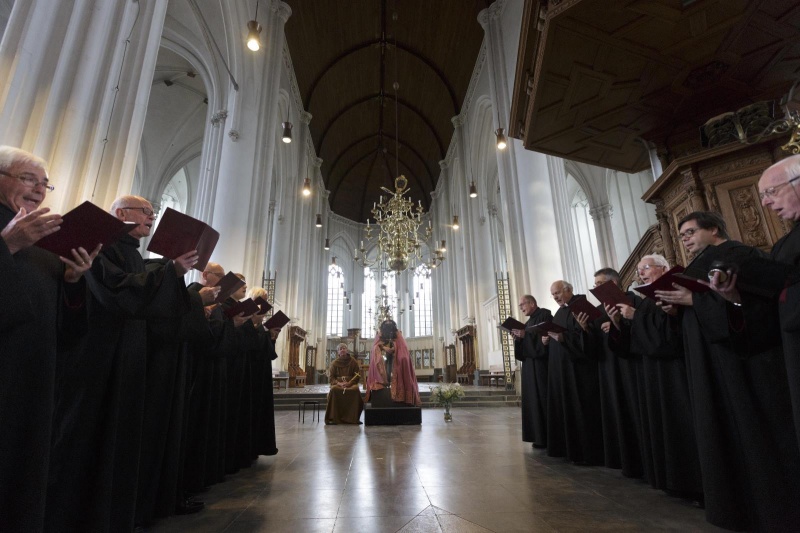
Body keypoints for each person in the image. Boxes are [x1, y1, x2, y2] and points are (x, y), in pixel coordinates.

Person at [46, 195, 197, 532]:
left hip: (127, 357)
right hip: (98, 358)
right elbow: (116, 290)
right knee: (89, 438)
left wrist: (170, 273)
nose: (151, 217)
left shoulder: (134, 254)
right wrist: (170, 270)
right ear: (120, 214)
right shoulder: (102, 246)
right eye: (146, 212)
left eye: (152, 213)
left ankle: (116, 514)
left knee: (122, 440)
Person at [655, 211, 800, 531]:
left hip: (736, 361)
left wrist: (695, 300)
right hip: (706, 360)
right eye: (682, 235)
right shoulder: (701, 262)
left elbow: (750, 306)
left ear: (714, 229)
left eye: (691, 231)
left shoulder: (739, 255)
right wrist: (675, 310)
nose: (686, 239)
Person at [0, 146, 98, 532]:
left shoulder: (43, 238)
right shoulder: (19, 234)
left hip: (35, 375)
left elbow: (65, 322)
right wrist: (6, 246)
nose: (39, 191)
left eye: (44, 184)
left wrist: (73, 282)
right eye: (28, 179)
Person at [612, 255, 702, 499]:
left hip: (674, 373)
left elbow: (667, 338)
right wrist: (620, 323)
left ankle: (688, 482)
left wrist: (635, 317)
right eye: (640, 270)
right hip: (652, 372)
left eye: (646, 268)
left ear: (664, 268)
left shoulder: (671, 291)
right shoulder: (648, 300)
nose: (641, 273)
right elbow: (638, 340)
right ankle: (668, 478)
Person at [589, 268, 642, 478]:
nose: (596, 288)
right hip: (606, 367)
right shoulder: (598, 309)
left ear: (614, 284)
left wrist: (618, 325)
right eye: (595, 285)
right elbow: (591, 341)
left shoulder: (630, 300)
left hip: (628, 366)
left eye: (600, 283)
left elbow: (639, 329)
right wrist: (585, 329)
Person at [544, 280, 603, 465]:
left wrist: (564, 337)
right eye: (553, 295)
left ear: (568, 290)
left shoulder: (581, 307)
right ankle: (565, 448)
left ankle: (584, 453)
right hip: (561, 371)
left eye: (558, 293)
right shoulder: (559, 313)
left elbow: (589, 339)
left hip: (578, 372)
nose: (555, 297)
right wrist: (548, 340)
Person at [511, 295, 551, 448]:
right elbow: (525, 347)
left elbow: (543, 338)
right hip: (529, 366)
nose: (521, 308)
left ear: (532, 303)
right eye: (520, 306)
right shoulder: (527, 323)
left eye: (522, 305)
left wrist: (525, 335)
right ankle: (538, 436)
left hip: (540, 366)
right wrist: (519, 338)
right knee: (532, 401)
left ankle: (546, 437)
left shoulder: (544, 315)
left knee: (541, 399)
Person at [366, 319, 421, 407]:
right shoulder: (380, 333)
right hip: (383, 354)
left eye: (390, 323)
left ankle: (397, 387)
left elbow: (402, 346)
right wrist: (384, 348)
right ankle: (385, 382)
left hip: (396, 354)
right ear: (383, 325)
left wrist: (394, 348)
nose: (388, 324)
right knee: (382, 363)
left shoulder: (397, 333)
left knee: (403, 359)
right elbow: (375, 346)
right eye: (386, 323)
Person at [324, 343, 364, 424]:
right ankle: (334, 418)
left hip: (350, 384)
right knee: (334, 389)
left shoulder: (353, 362)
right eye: (340, 349)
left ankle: (354, 418)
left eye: (344, 348)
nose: (342, 350)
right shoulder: (334, 363)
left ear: (347, 350)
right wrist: (339, 383)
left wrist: (349, 383)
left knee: (355, 390)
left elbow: (357, 375)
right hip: (338, 384)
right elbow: (331, 377)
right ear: (338, 352)